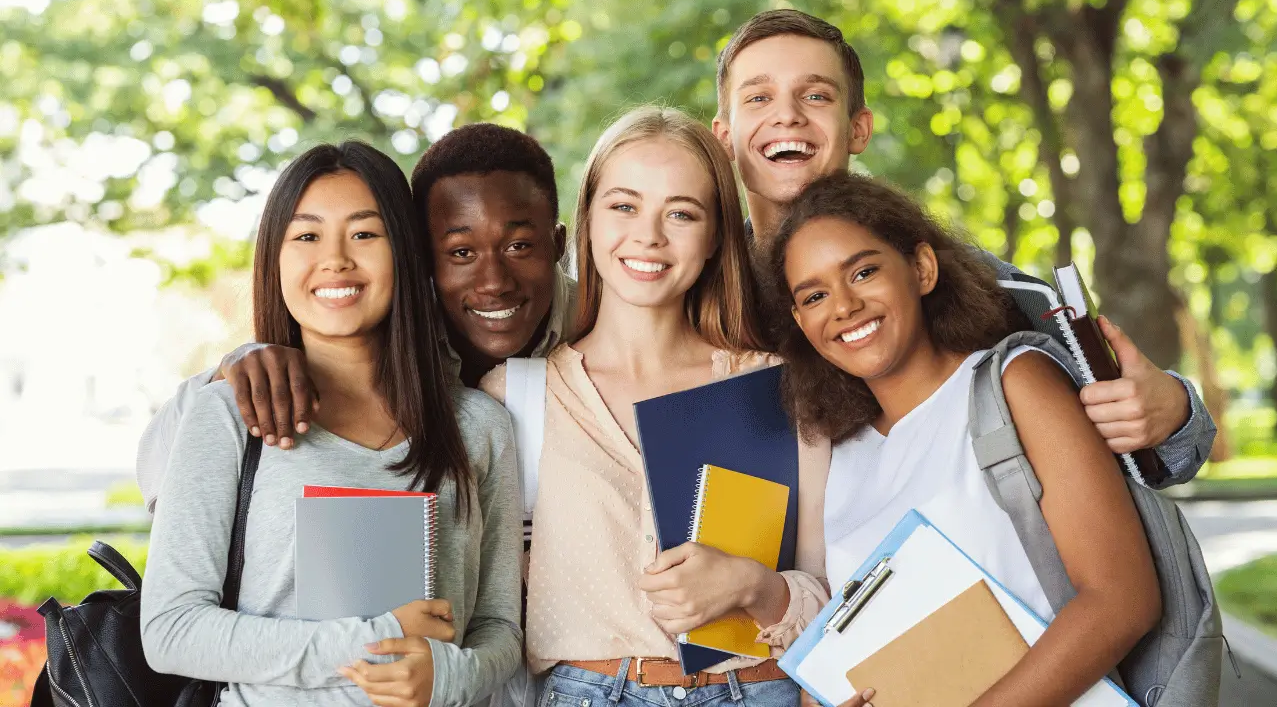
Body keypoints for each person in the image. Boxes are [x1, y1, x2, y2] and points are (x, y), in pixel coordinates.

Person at [710, 8, 1216, 484]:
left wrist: (1172, 413)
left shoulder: (964, 280)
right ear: (724, 138)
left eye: (816, 95)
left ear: (858, 128)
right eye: (758, 98)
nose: (788, 116)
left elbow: (1135, 458)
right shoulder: (695, 290)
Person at [139, 141, 522, 707]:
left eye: (365, 234)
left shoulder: (480, 427)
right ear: (276, 255)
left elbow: (498, 625)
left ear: (406, 253)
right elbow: (170, 630)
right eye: (307, 236)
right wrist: (377, 640)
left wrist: (451, 676)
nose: (336, 259)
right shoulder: (227, 414)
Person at [478, 106, 830, 706]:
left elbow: (834, 592)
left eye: (682, 213)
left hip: (756, 688)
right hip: (588, 691)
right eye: (623, 205)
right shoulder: (516, 397)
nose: (649, 235)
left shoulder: (780, 388)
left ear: (718, 234)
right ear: (585, 219)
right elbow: (487, 609)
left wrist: (752, 586)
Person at [772, 172, 1161, 706]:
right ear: (800, 319)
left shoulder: (1015, 383)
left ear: (921, 268)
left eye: (863, 271)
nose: (843, 306)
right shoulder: (839, 454)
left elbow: (1123, 601)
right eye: (814, 295)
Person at [135, 124, 575, 512]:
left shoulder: (601, 329)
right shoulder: (373, 340)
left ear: (558, 245)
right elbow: (160, 480)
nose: (494, 281)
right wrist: (231, 372)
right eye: (460, 253)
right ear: (419, 256)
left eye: (519, 247)